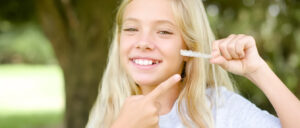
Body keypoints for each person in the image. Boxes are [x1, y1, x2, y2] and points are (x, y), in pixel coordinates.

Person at [86, 0, 300, 127]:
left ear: (189, 48)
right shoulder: (107, 113)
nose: (143, 43)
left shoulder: (219, 110)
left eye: (164, 31)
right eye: (132, 29)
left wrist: (258, 71)